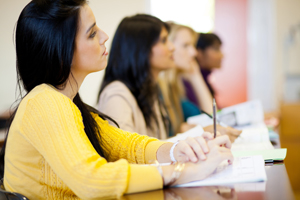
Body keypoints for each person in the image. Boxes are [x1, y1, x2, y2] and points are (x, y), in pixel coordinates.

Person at [0, 1, 233, 199]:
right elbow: (92, 179)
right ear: (61, 51)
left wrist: (177, 151)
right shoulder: (45, 102)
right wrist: (183, 171)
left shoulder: (70, 105)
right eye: (92, 33)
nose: (104, 36)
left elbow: (127, 145)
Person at [98, 14, 176, 138]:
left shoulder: (150, 87)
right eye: (163, 40)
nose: (172, 47)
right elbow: (124, 154)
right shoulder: (117, 96)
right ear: (141, 49)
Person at [159, 23, 241, 140]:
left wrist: (195, 75)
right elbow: (211, 118)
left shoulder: (176, 86)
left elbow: (211, 118)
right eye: (185, 45)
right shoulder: (160, 88)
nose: (194, 52)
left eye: (192, 45)